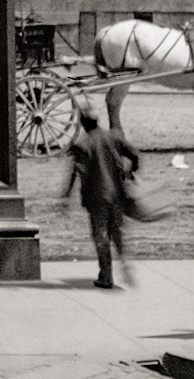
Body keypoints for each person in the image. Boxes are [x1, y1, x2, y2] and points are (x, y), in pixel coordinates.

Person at [60, 101, 140, 289]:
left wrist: (66, 196)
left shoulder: (83, 145)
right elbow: (135, 156)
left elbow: (75, 173)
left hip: (96, 197)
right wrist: (130, 174)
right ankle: (124, 260)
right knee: (117, 231)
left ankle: (106, 275)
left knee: (101, 236)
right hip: (117, 194)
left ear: (83, 123)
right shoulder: (114, 137)